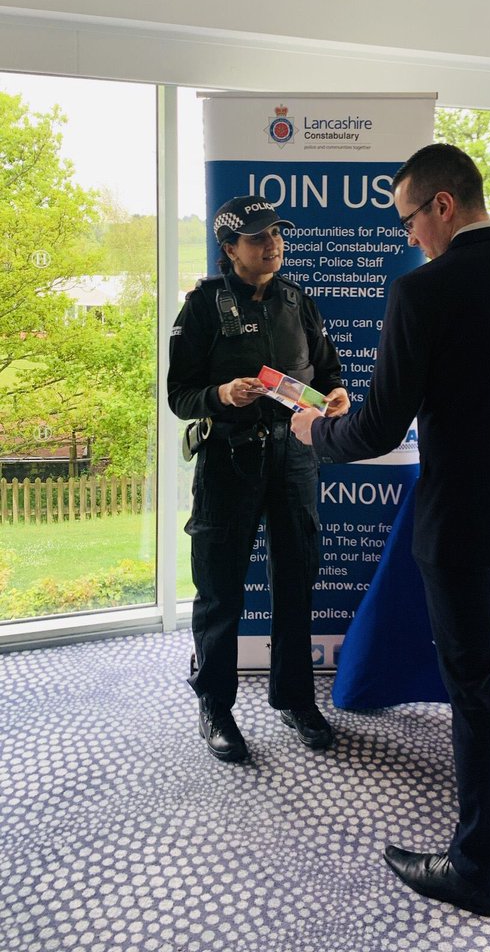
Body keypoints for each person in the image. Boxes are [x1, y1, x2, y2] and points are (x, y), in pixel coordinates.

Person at [291, 144, 490, 917]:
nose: (410, 238)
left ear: (442, 205)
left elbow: (375, 427)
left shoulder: (421, 294)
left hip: (461, 525)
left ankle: (476, 868)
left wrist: (311, 432)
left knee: (474, 690)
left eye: (411, 219)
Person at [168, 195, 349, 764]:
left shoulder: (298, 300)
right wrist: (219, 395)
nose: (271, 243)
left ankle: (295, 698)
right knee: (221, 589)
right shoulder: (202, 305)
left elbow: (327, 371)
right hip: (229, 460)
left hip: (294, 460)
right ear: (229, 249)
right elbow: (178, 395)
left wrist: (337, 396)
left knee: (296, 578)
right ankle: (216, 705)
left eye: (275, 233)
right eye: (255, 237)